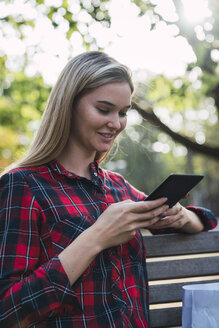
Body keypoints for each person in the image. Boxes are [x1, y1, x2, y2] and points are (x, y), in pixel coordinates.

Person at [0, 51, 217, 328]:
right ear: (69, 105)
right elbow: (7, 311)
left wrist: (183, 216)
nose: (116, 124)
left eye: (123, 112)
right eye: (104, 109)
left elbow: (205, 219)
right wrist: (97, 237)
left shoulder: (117, 187)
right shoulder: (23, 185)